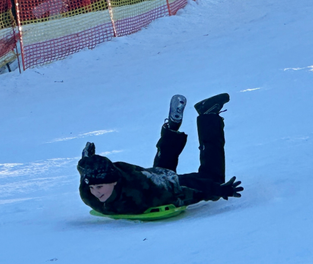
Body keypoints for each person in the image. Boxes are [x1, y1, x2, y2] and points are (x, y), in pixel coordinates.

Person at [78, 93, 244, 216]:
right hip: (153, 179)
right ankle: (171, 129)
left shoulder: (143, 193)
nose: (96, 192)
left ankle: (208, 115)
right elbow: (85, 170)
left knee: (213, 179)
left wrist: (218, 190)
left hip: (165, 189)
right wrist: (87, 159)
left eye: (99, 187)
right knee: (161, 172)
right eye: (92, 187)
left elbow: (182, 184)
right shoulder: (88, 193)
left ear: (114, 182)